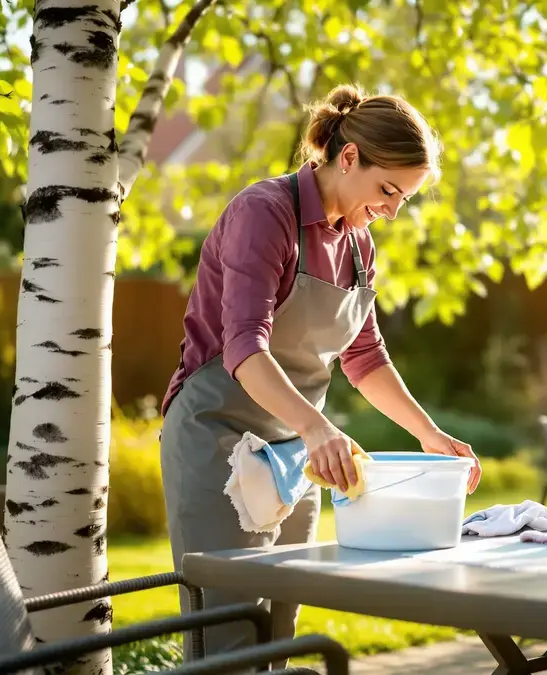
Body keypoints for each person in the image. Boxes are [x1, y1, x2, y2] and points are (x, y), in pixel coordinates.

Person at [158, 83, 482, 660]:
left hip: (297, 450)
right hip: (218, 436)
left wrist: (429, 435)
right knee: (230, 638)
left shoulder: (359, 243)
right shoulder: (266, 213)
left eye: (403, 198)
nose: (390, 209)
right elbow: (244, 350)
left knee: (278, 635)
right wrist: (317, 427)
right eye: (387, 190)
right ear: (349, 157)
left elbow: (365, 356)